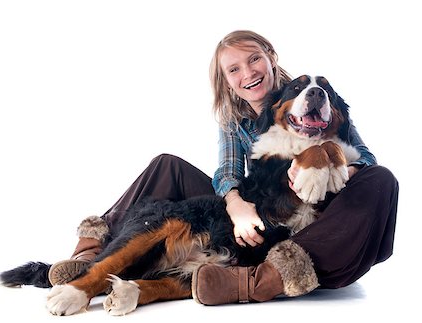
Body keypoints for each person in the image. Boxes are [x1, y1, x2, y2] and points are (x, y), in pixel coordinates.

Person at [48, 30, 398, 306]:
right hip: (254, 209)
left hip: (310, 228)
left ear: (270, 59)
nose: (248, 73)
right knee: (166, 165)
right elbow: (228, 171)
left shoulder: (314, 98)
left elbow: (365, 158)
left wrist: (334, 164)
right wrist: (235, 204)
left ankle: (259, 280)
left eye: (254, 60)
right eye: (234, 69)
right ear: (226, 79)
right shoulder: (234, 118)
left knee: (381, 180)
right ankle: (91, 251)